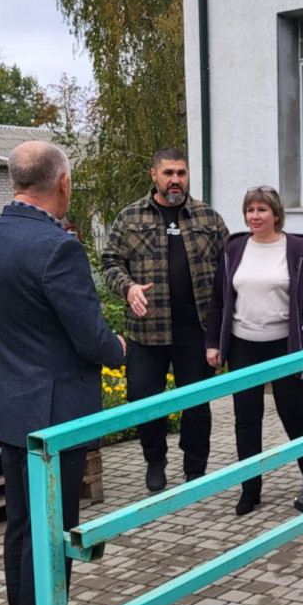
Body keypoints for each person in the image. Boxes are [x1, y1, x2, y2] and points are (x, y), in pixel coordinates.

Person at [0, 141, 125, 605]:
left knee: (21, 531)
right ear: (63, 183)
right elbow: (90, 337)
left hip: (11, 408)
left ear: (15, 181)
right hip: (56, 419)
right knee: (52, 535)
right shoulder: (58, 247)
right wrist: (117, 348)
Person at [102, 148, 228, 492]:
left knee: (196, 404)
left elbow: (229, 266)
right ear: (154, 175)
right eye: (169, 173)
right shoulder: (130, 217)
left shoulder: (208, 218)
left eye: (181, 173)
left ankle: (195, 469)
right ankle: (155, 460)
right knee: (144, 399)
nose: (176, 180)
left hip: (196, 330)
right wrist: (128, 288)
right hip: (147, 331)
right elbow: (110, 262)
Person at [205, 186, 303, 515]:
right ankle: (250, 489)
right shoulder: (234, 248)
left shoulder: (296, 249)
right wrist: (213, 342)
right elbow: (218, 300)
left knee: (292, 413)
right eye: (250, 210)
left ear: (276, 214)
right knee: (246, 418)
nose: (255, 216)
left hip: (283, 347)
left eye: (261, 210)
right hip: (243, 346)